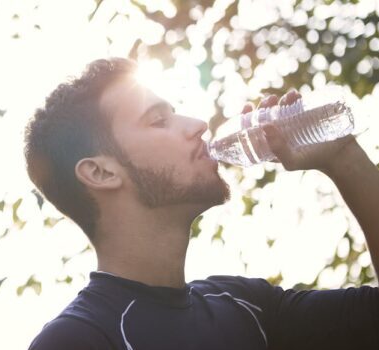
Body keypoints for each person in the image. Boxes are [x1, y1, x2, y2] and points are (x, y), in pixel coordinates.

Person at [23, 57, 379, 350]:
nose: (198, 125)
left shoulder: (246, 305)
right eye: (159, 121)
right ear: (101, 173)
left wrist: (345, 159)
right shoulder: (78, 339)